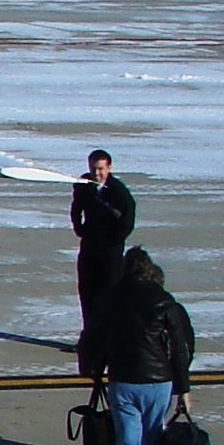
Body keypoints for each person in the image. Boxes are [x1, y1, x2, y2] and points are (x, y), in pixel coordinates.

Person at [99, 247, 194, 445]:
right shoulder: (164, 302)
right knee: (150, 443)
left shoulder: (111, 299)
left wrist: (93, 371)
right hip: (159, 383)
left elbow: (94, 337)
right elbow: (181, 347)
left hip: (124, 382)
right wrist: (184, 387)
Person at [70, 150, 136, 376]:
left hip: (110, 253)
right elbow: (76, 208)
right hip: (89, 248)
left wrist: (114, 241)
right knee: (87, 293)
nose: (97, 173)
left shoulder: (118, 192)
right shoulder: (83, 184)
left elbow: (128, 219)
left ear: (109, 168)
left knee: (108, 295)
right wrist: (80, 229)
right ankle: (90, 339)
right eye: (94, 168)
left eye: (101, 169)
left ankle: (109, 342)